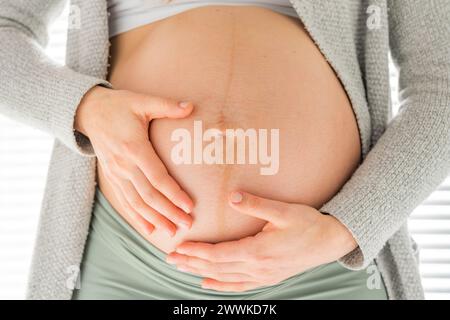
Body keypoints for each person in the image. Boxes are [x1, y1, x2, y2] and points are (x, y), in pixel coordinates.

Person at [0, 0, 449, 300]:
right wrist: (85, 108)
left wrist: (347, 229)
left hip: (330, 272)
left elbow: (441, 83)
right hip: (125, 264)